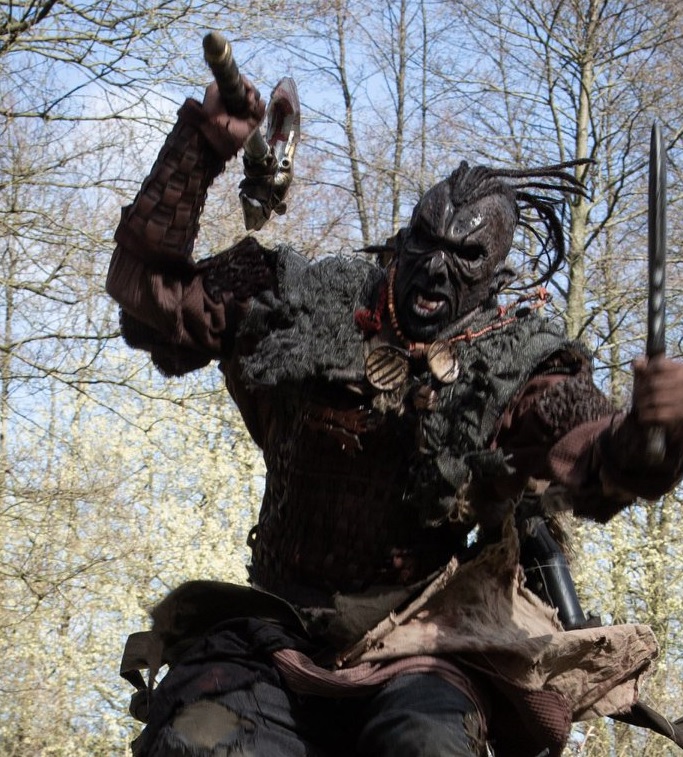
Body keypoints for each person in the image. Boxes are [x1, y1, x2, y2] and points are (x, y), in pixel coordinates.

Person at [108, 75, 683, 757]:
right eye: (425, 241)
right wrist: (198, 147)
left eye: (464, 256)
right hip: (273, 632)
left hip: (418, 646)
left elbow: (591, 453)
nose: (435, 269)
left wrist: (651, 432)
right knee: (199, 742)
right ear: (404, 237)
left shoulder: (515, 362)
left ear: (492, 275)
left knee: (426, 747)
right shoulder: (301, 300)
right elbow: (148, 293)